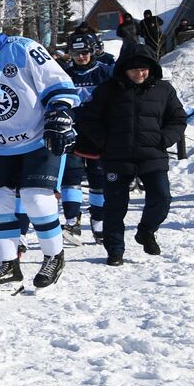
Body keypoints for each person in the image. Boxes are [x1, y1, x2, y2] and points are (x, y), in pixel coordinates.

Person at [0, 27, 80, 289]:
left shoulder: (20, 48)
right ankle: (8, 263)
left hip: (38, 137)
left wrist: (59, 111)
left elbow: (56, 80)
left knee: (36, 198)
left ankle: (54, 255)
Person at [73, 44, 187, 265]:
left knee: (162, 198)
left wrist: (164, 139)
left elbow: (178, 119)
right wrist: (105, 142)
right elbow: (88, 118)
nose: (139, 73)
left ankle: (146, 231)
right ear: (123, 69)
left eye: (144, 69)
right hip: (117, 157)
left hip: (152, 155)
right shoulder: (107, 89)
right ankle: (115, 250)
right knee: (115, 206)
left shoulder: (164, 90)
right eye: (134, 69)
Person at [58, 29, 114, 243]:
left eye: (85, 52)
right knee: (70, 177)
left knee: (98, 180)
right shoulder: (64, 74)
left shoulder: (106, 73)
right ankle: (72, 222)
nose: (81, 57)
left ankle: (99, 224)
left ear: (93, 51)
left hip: (99, 135)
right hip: (72, 133)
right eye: (76, 53)